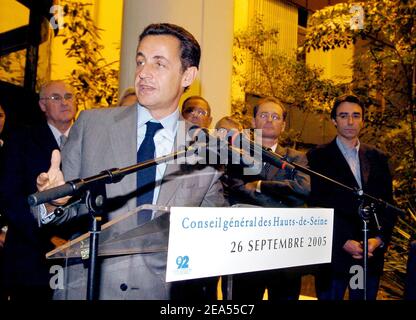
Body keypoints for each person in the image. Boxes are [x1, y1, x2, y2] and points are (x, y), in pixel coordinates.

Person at [34, 23, 226, 300]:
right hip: (87, 289)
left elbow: (212, 232)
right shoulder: (92, 126)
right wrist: (52, 200)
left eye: (159, 63)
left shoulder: (204, 150)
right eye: (140, 61)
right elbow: (61, 216)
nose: (143, 73)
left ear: (188, 75)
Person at [306, 94, 397, 300]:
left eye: (356, 116)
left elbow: (389, 205)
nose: (350, 121)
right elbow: (315, 205)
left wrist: (379, 239)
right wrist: (342, 240)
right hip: (334, 253)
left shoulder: (378, 158)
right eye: (344, 115)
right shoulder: (317, 157)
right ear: (334, 120)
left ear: (362, 120)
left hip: (369, 255)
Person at [227, 96, 310, 300]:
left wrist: (259, 186)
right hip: (245, 252)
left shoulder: (295, 158)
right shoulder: (235, 155)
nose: (270, 120)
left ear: (283, 125)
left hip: (285, 253)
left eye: (276, 116)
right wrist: (281, 199)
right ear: (254, 122)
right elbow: (235, 191)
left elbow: (301, 191)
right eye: (264, 115)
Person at [0, 80, 77, 300]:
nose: (64, 102)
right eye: (56, 97)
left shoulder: (89, 140)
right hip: (32, 258)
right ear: (42, 105)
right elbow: (10, 197)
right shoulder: (21, 140)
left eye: (69, 96)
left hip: (79, 257)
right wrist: (48, 236)